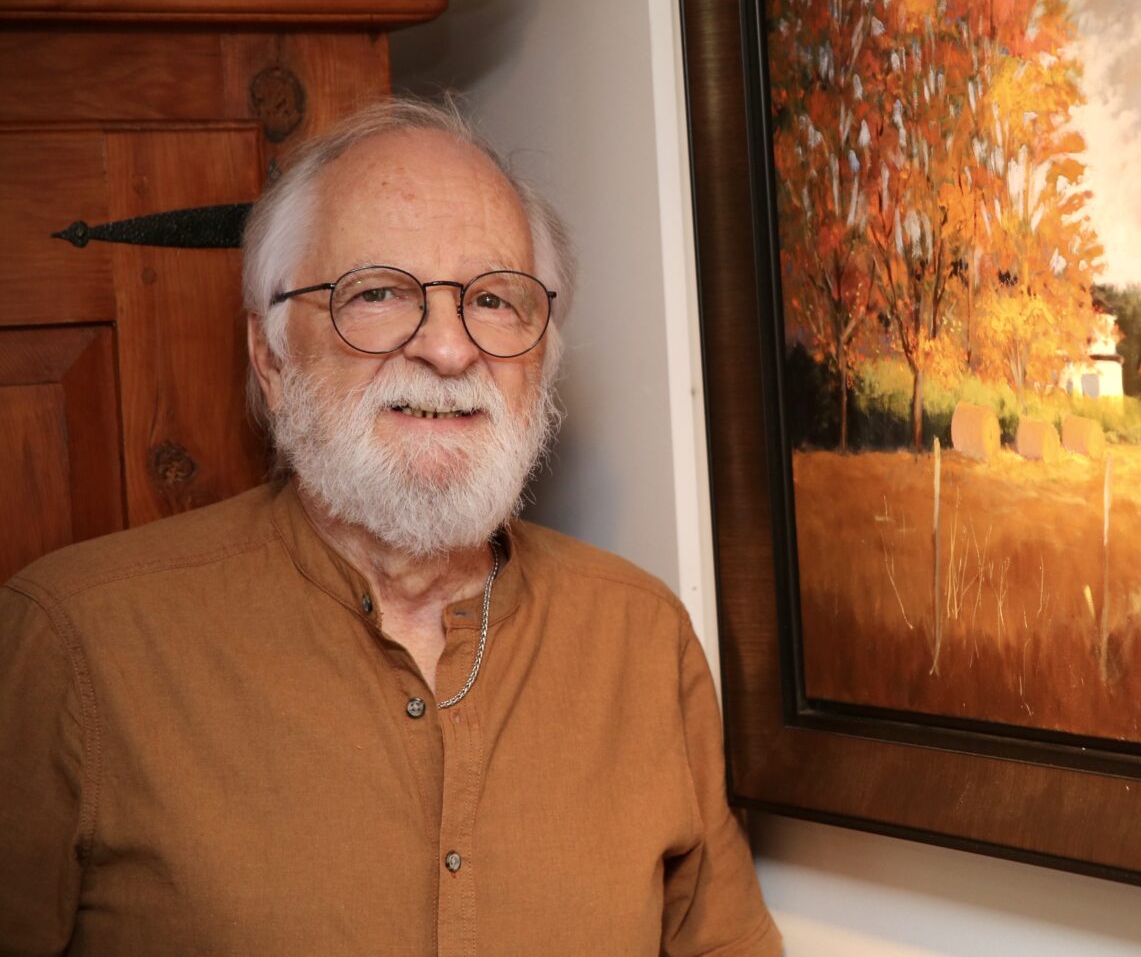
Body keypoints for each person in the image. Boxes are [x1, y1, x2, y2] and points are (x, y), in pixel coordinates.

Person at [0, 99, 783, 957]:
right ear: (270, 356)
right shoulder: (77, 640)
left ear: (542, 354)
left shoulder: (638, 635)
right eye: (376, 293)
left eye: (493, 300)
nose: (449, 349)